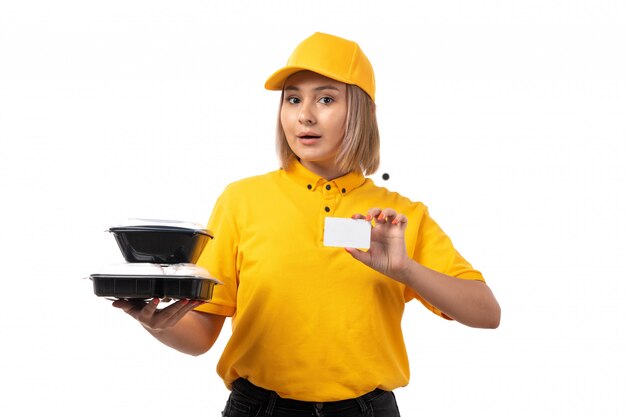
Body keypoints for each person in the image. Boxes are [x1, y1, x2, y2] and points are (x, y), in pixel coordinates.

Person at [113, 32, 501, 417]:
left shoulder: (399, 218)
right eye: (293, 99)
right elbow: (200, 338)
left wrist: (405, 269)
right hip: (259, 409)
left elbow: (487, 314)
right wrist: (155, 322)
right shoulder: (242, 200)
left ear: (361, 112)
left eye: (326, 99)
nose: (305, 115)